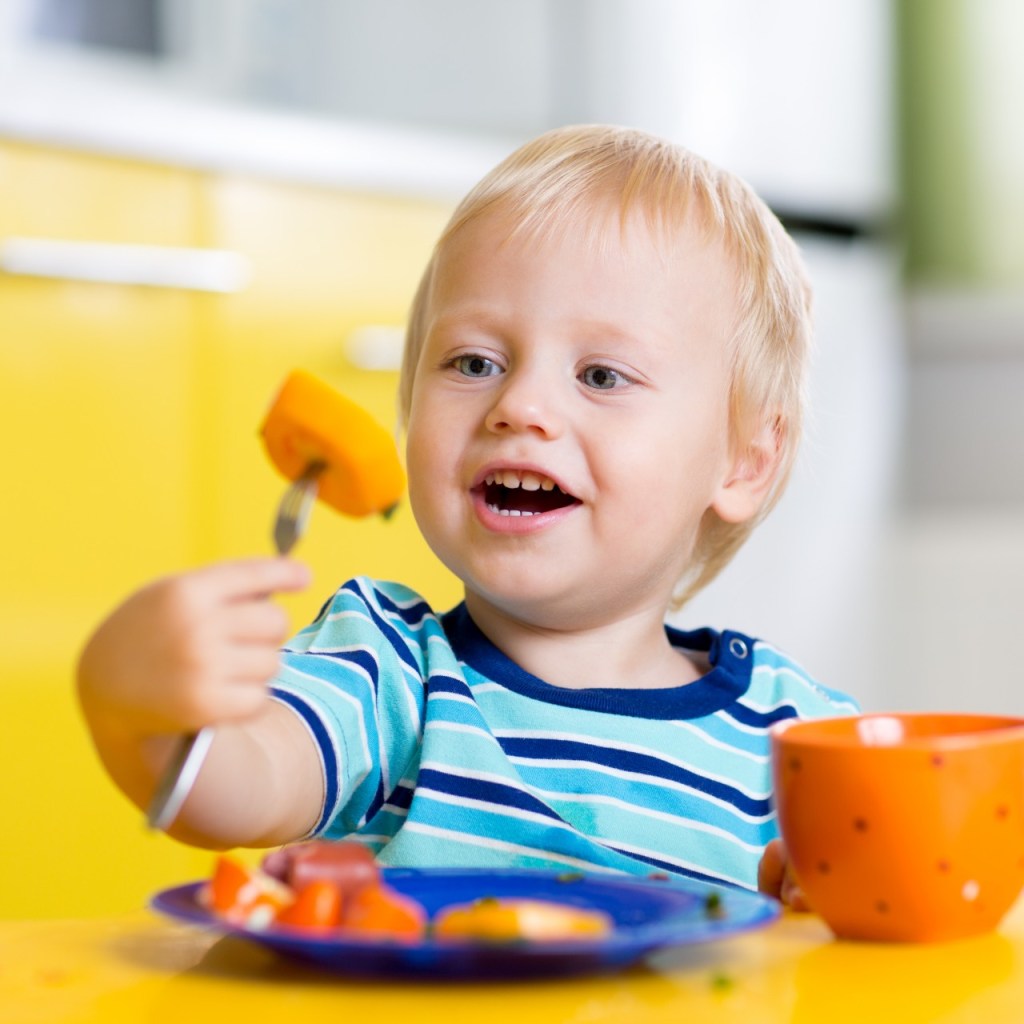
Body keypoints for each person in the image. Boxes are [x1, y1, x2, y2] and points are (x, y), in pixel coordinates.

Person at [77, 124, 857, 901]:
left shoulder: (800, 745)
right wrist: (138, 710)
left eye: (602, 376)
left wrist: (835, 908)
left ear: (744, 460)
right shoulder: (386, 673)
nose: (519, 405)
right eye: (474, 363)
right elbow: (241, 782)